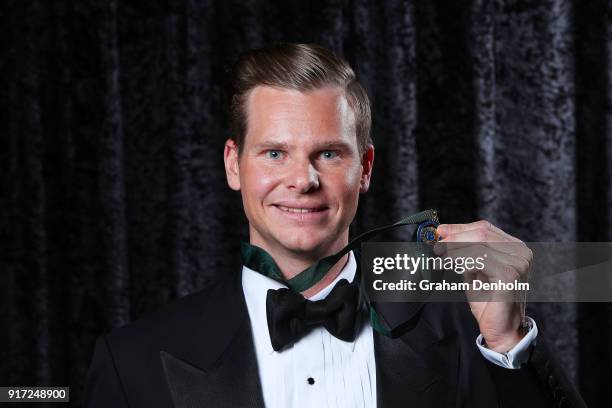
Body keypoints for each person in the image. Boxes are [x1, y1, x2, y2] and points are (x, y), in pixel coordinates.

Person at [85, 43, 585, 407]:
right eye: (275, 153)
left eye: (327, 153)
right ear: (234, 165)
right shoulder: (133, 361)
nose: (302, 180)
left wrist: (506, 342)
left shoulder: (463, 329)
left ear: (365, 168)